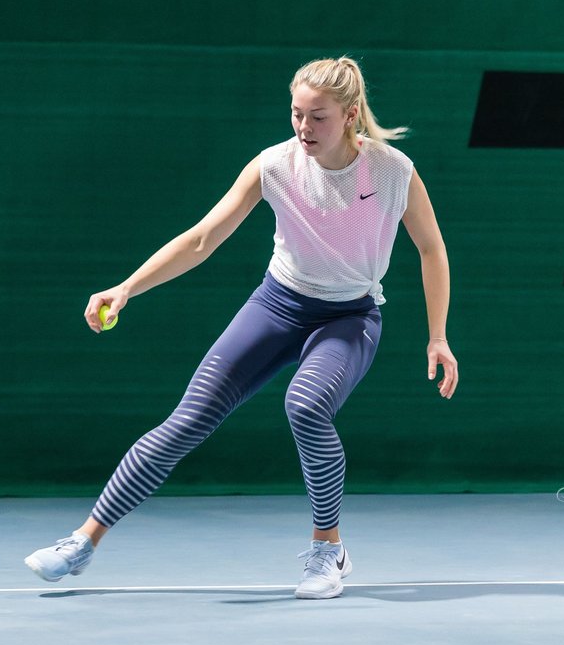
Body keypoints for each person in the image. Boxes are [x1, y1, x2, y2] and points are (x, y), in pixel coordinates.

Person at [24, 57, 458, 599]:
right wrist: (126, 287)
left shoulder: (393, 171)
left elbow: (431, 247)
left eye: (317, 117)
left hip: (349, 316)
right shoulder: (274, 165)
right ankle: (83, 542)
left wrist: (436, 336)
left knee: (305, 406)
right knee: (186, 422)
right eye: (297, 114)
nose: (303, 128)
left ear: (349, 116)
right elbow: (203, 238)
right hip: (277, 305)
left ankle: (328, 551)